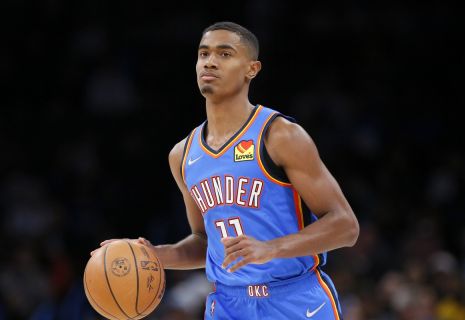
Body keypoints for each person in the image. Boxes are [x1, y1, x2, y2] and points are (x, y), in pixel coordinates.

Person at [94, 21, 359, 319]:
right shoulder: (182, 154)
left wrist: (270, 249)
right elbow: (204, 243)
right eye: (203, 53)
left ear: (252, 69)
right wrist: (152, 255)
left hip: (295, 300)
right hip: (228, 305)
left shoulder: (279, 135)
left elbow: (346, 226)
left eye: (224, 54)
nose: (210, 61)